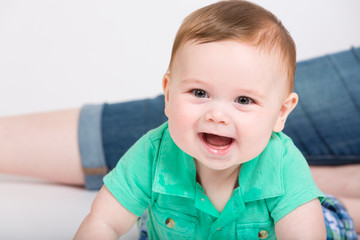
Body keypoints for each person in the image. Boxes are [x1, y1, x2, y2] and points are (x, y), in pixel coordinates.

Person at [0, 1, 359, 239]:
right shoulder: (152, 153)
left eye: (244, 100)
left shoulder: (282, 163)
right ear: (168, 94)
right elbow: (105, 221)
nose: (217, 114)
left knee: (332, 219)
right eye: (199, 93)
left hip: (314, 225)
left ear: (281, 112)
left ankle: (342, 204)